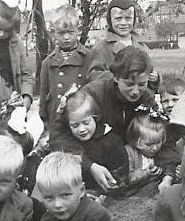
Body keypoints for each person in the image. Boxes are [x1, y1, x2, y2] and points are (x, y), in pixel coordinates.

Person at [49, 46, 161, 192]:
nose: (135, 91)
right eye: (128, 84)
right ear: (116, 77)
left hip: (127, 164)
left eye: (142, 84)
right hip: (89, 160)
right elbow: (57, 136)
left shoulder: (145, 98)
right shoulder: (92, 95)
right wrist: (89, 166)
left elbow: (161, 130)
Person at [34, 152, 125, 221]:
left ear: (81, 190)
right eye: (49, 198)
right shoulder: (47, 220)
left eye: (65, 195)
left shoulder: (95, 216)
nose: (57, 205)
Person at [87, 0, 160, 92]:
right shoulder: (101, 48)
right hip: (112, 101)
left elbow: (149, 74)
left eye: (128, 18)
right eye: (118, 18)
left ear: (134, 20)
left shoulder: (141, 46)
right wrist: (120, 78)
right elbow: (94, 76)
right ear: (110, 20)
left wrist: (156, 78)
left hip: (139, 100)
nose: (123, 23)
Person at [60, 90, 129, 191]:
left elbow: (121, 173)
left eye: (86, 123)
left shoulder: (111, 141)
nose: (81, 129)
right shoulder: (70, 141)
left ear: (95, 117)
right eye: (75, 125)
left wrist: (112, 183)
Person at [39, 4, 91, 131]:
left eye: (71, 32)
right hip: (56, 121)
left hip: (81, 120)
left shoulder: (88, 58)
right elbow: (44, 93)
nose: (66, 37)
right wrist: (44, 119)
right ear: (54, 33)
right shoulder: (48, 62)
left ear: (78, 30)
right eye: (61, 33)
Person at [124, 109, 176, 192]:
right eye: (149, 144)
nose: (155, 148)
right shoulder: (129, 152)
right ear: (136, 141)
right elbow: (126, 179)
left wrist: (166, 177)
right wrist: (145, 174)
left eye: (158, 142)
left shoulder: (161, 151)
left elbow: (169, 165)